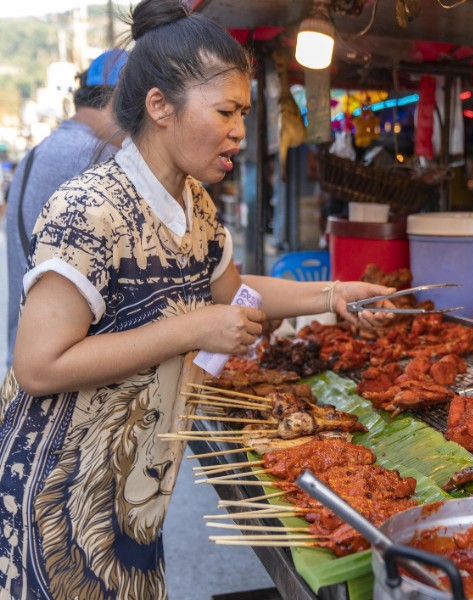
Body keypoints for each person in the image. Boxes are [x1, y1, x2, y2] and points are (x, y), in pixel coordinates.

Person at [0, 1, 394, 598]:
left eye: (243, 113)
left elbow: (233, 291)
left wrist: (333, 293)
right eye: (226, 111)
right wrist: (194, 329)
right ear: (160, 106)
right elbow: (37, 364)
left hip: (135, 489)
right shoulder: (90, 208)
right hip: (58, 495)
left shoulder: (196, 204)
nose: (239, 129)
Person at [4, 48, 128, 369]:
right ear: (119, 102)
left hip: (26, 355)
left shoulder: (41, 150)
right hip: (64, 372)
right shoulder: (95, 157)